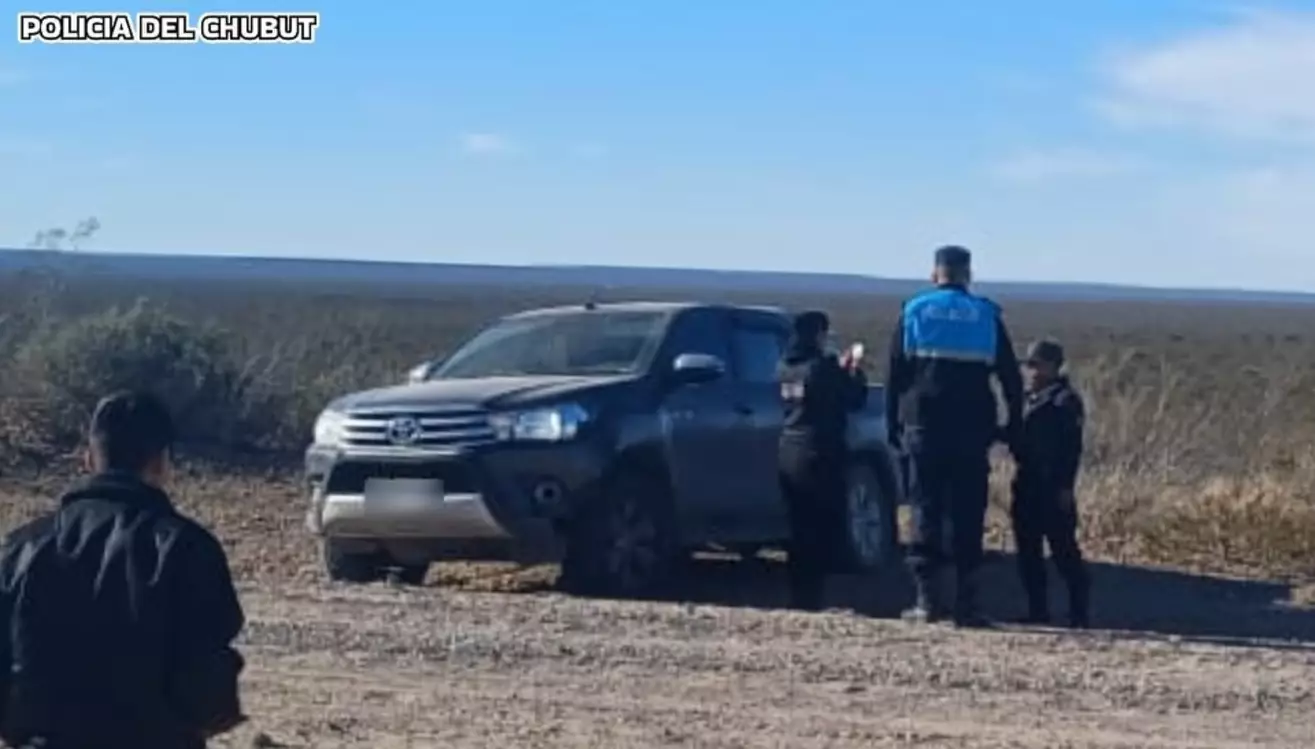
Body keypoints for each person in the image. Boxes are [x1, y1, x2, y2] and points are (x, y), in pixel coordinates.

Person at [0, 391, 247, 749]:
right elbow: (210, 689)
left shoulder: (24, 547)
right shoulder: (187, 548)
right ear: (162, 463)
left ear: (88, 458)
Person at [885, 245, 1024, 627]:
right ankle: (967, 605)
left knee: (924, 509)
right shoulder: (986, 314)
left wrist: (892, 425)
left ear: (935, 274)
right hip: (971, 430)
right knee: (968, 513)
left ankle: (927, 601)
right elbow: (1010, 378)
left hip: (923, 426)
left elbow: (895, 374)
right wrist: (1013, 425)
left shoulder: (914, 311)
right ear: (968, 274)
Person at [777, 310, 868, 611]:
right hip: (820, 452)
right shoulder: (822, 367)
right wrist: (854, 369)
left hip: (789, 450)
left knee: (799, 527)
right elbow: (854, 398)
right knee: (822, 526)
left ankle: (799, 596)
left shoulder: (785, 368)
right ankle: (814, 597)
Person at [1011, 339, 1091, 628]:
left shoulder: (1065, 401)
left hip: (1053, 484)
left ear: (1055, 367)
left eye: (1038, 365)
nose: (1032, 371)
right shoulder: (1027, 399)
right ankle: (1037, 610)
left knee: (1063, 550)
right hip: (1026, 482)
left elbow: (1072, 449)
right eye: (1029, 365)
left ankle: (1079, 612)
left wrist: (1066, 487)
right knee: (1028, 551)